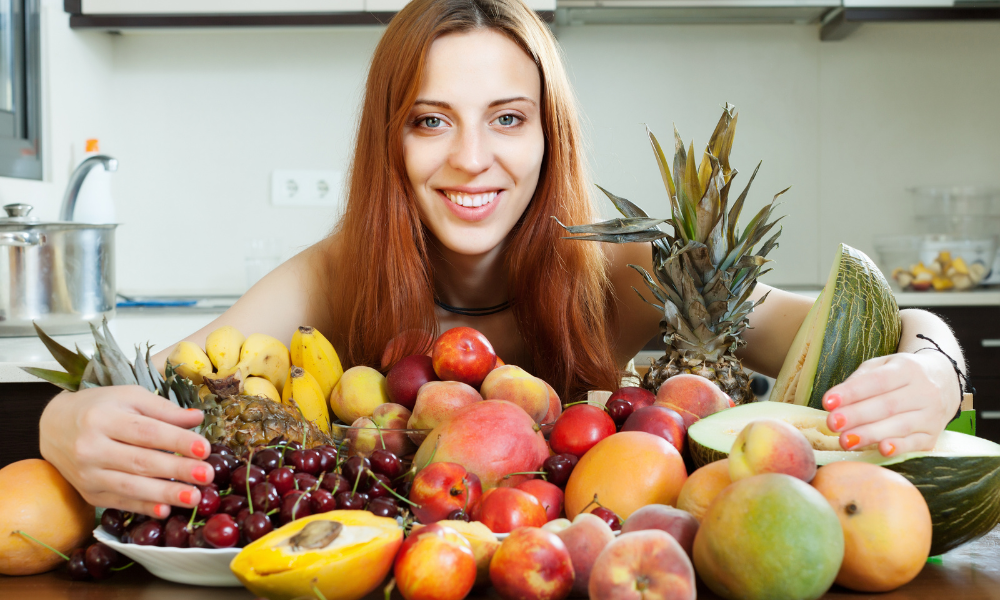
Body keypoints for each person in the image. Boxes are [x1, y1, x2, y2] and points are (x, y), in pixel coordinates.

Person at [39, 0, 965, 519]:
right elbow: (157, 393)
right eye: (430, 121)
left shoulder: (629, 270)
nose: (472, 158)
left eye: (507, 120)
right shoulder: (330, 277)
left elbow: (875, 328)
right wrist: (64, 423)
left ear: (549, 137)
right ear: (388, 143)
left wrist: (933, 365)